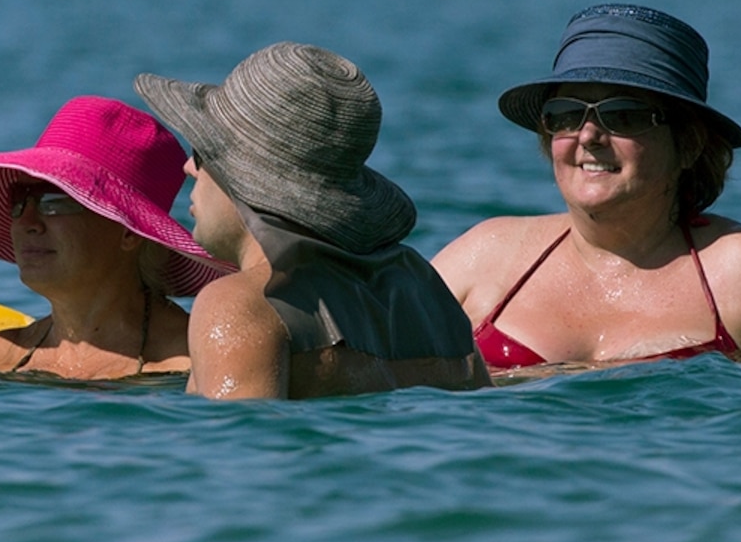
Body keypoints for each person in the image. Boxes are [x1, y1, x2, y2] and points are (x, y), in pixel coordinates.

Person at [432, 4, 741, 369]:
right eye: (566, 116)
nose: (588, 136)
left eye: (623, 115)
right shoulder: (487, 254)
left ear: (687, 146)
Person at [134, 44, 486, 400]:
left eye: (201, 152)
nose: (189, 168)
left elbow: (234, 447)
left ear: (240, 177)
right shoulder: (426, 292)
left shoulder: (238, 307)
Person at [0, 96, 231, 379]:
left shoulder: (208, 361)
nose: (28, 222)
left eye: (55, 202)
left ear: (128, 232)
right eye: (19, 201)